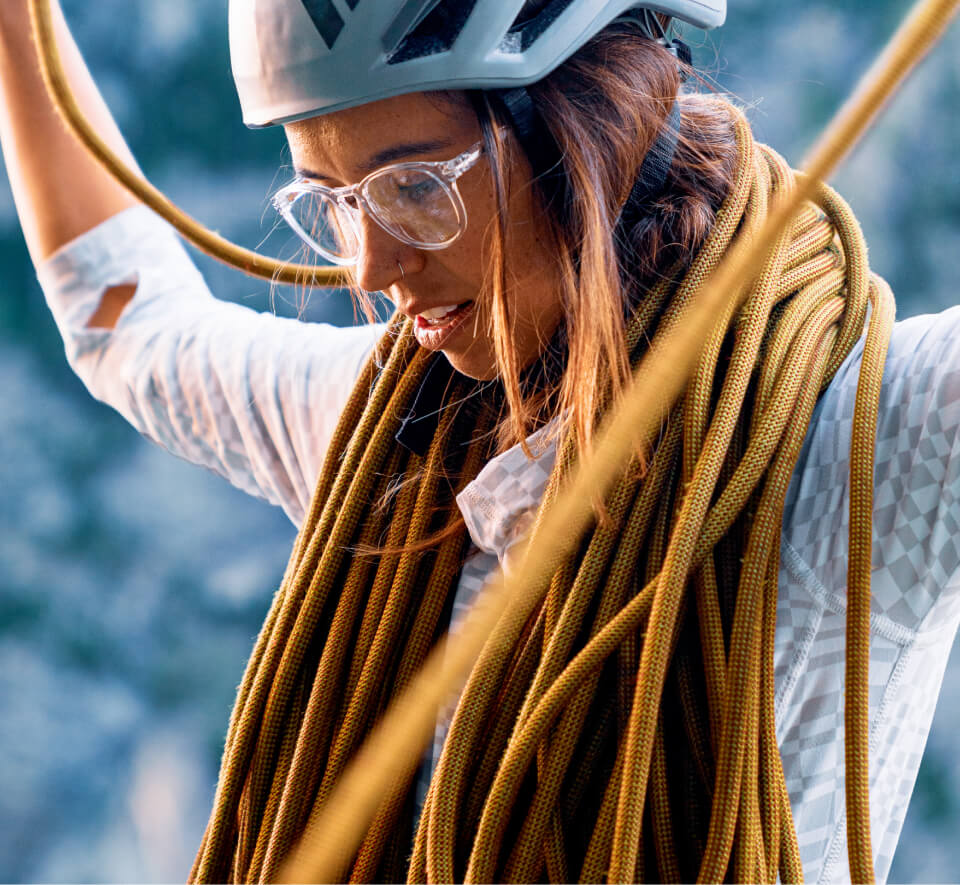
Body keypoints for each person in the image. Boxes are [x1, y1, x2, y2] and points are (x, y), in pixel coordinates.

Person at [2, 0, 959, 882]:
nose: (371, 264)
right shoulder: (386, 447)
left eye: (416, 185)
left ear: (595, 127)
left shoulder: (865, 438)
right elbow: (128, 327)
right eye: (332, 200)